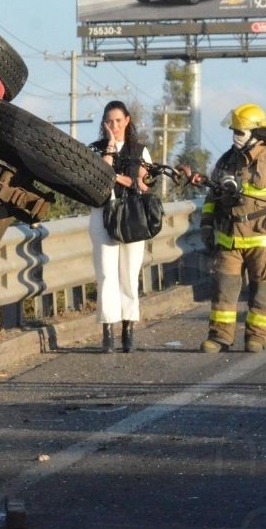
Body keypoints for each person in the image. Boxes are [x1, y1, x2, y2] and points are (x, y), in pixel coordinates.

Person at [197, 103, 266, 353]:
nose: (235, 137)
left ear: (257, 134)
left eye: (240, 132)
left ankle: (257, 336)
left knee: (263, 291)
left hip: (263, 240)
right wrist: (206, 226)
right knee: (223, 290)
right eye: (234, 132)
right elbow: (211, 198)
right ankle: (220, 336)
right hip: (229, 240)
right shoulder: (226, 162)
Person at [88, 101, 152, 353]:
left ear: (127, 120)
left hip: (131, 214)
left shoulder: (140, 150)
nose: (114, 125)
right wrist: (110, 148)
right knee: (106, 273)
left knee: (128, 273)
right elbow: (97, 176)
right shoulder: (96, 148)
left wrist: (116, 177)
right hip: (103, 212)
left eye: (118, 120)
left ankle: (128, 328)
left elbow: (144, 184)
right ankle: (108, 331)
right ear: (104, 123)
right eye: (109, 121)